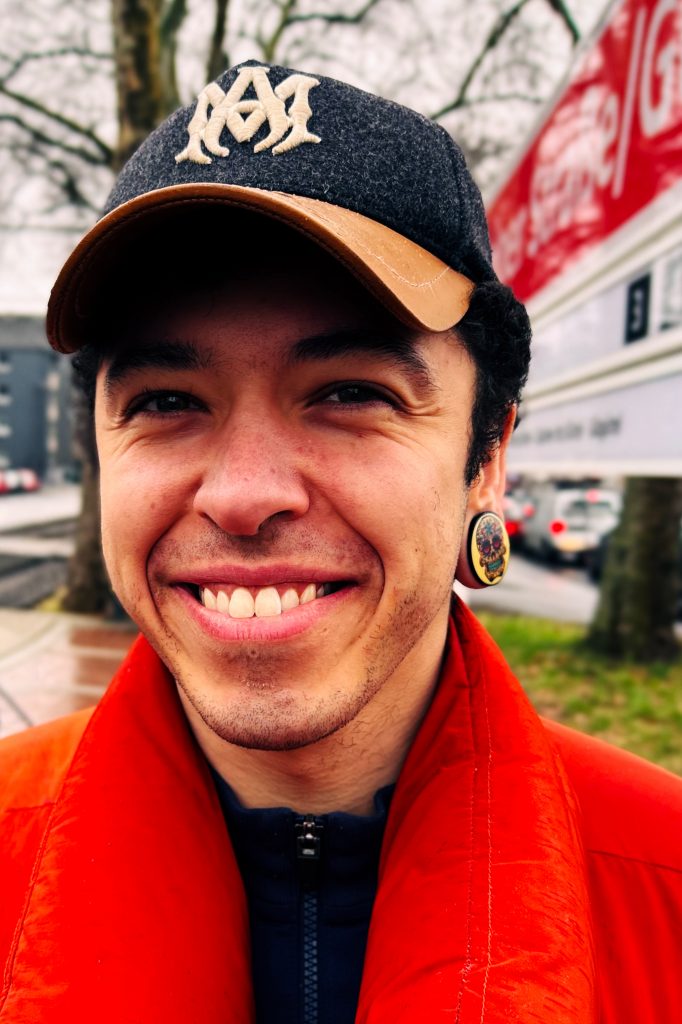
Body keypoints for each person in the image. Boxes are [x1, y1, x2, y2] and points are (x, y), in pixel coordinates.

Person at [1, 61, 680, 1023]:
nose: (243, 496)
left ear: (487, 457)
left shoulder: (662, 884)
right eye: (166, 402)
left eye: (351, 393)